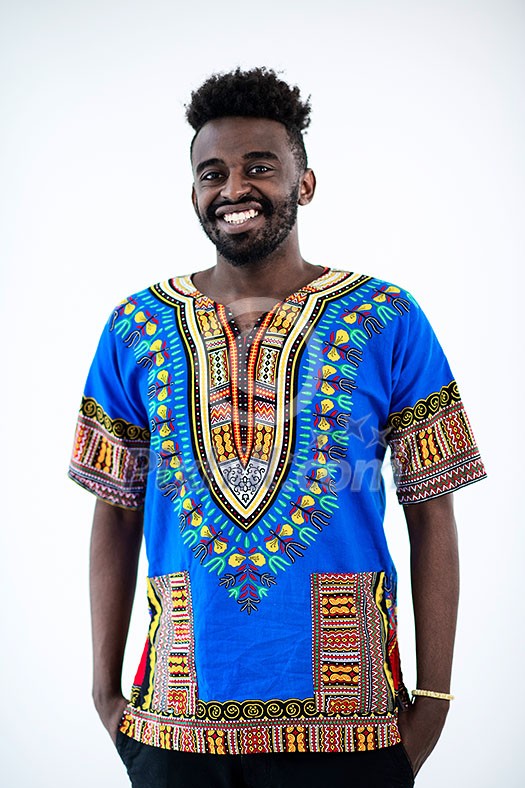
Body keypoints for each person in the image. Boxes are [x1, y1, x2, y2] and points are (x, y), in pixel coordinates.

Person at [69, 67, 486, 788]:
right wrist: (105, 696)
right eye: (212, 173)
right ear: (194, 192)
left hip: (356, 725)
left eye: (259, 167)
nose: (234, 189)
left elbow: (432, 508)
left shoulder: (385, 316)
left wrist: (434, 704)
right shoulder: (135, 325)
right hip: (173, 722)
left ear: (305, 181)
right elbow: (115, 509)